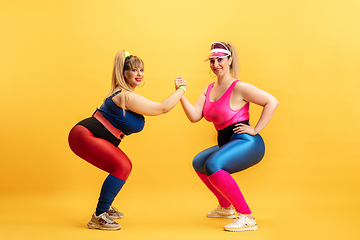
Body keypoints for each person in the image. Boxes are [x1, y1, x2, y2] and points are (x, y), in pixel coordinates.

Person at [68, 50, 187, 230]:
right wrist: (182, 90)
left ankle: (105, 206)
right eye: (134, 70)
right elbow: (162, 108)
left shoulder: (125, 93)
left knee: (120, 167)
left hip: (89, 135)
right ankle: (99, 215)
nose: (139, 74)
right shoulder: (125, 95)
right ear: (124, 73)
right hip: (85, 134)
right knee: (123, 166)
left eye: (141, 70)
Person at [175, 42, 278, 232]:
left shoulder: (239, 87)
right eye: (212, 61)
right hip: (227, 142)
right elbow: (195, 116)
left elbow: (272, 101)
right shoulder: (209, 89)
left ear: (230, 60)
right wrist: (181, 93)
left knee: (213, 165)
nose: (216, 65)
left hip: (247, 142)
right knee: (199, 162)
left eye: (220, 60)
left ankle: (247, 216)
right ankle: (225, 208)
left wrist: (255, 129)